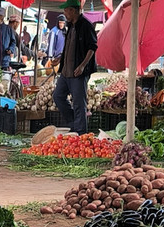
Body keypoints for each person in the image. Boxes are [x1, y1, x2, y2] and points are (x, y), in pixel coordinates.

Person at [52, 0, 97, 135]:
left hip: (78, 72)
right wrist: (60, 59)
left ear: (73, 10)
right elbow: (69, 47)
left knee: (79, 103)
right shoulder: (70, 26)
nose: (64, 13)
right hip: (66, 71)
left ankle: (81, 133)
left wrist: (83, 66)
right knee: (58, 96)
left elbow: (92, 47)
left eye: (66, 10)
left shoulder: (86, 25)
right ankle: (74, 123)